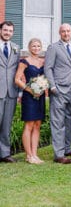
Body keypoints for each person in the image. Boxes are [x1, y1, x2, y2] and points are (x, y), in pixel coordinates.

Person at [44, 23, 71, 164]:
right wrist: (52, 86)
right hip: (58, 89)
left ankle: (67, 148)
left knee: (69, 121)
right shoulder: (53, 48)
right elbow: (48, 68)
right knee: (57, 121)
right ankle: (59, 155)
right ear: (59, 33)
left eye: (68, 31)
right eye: (63, 31)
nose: (66, 33)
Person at [14, 38, 46, 164]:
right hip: (29, 96)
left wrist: (43, 87)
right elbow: (17, 79)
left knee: (37, 124)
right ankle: (28, 155)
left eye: (38, 46)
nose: (36, 48)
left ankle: (34, 154)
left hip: (41, 95)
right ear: (29, 47)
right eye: (33, 46)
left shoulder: (43, 61)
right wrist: (29, 90)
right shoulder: (24, 61)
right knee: (29, 124)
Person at [0, 21, 20, 163]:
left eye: (10, 31)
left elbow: (17, 71)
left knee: (7, 124)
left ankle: (5, 154)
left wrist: (19, 92)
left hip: (11, 91)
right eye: (5, 30)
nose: (7, 33)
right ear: (1, 31)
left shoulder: (16, 48)